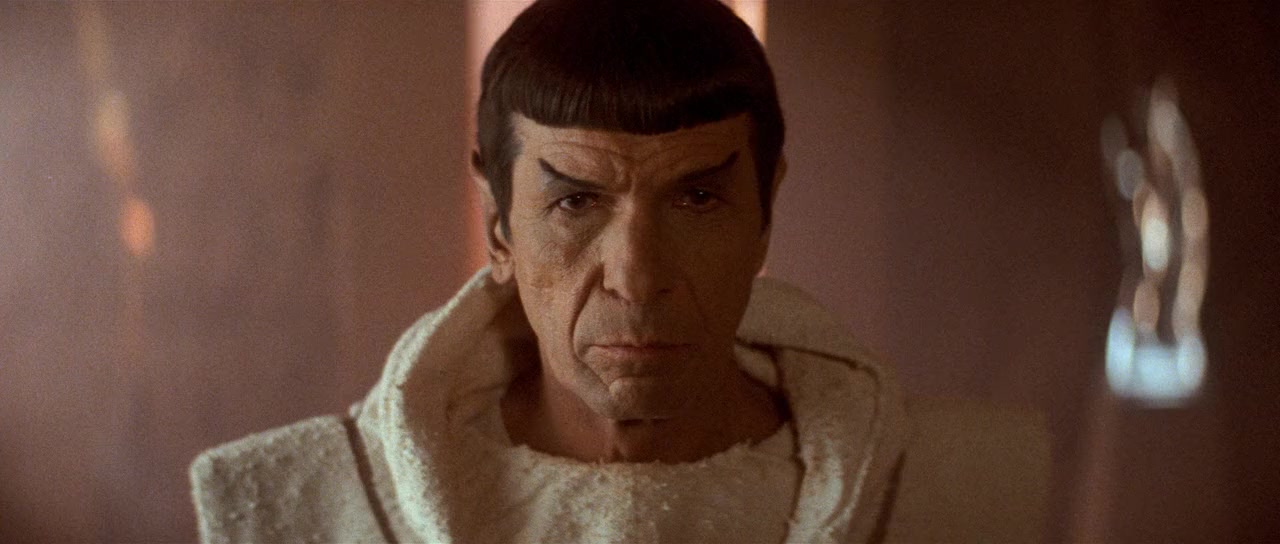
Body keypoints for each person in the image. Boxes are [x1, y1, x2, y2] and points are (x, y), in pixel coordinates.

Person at [190, 1, 1048, 542]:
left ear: (765, 212)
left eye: (698, 198)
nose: (637, 278)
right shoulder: (309, 511)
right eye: (575, 202)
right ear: (498, 224)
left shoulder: (955, 496)